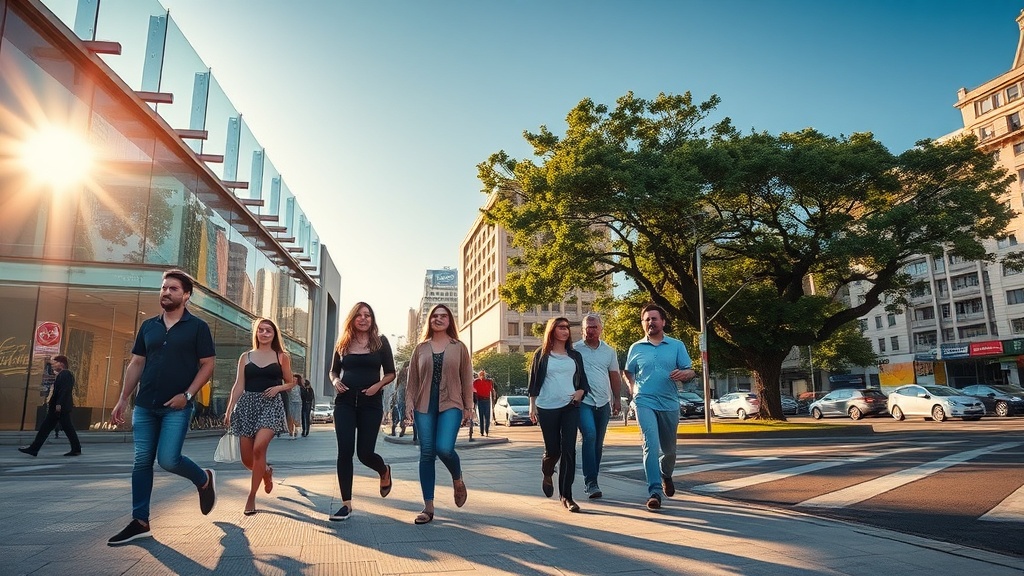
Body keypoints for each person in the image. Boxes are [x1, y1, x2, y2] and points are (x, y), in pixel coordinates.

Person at [107, 269, 217, 545]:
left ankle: (203, 478)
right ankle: (140, 520)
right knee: (142, 461)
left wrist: (188, 395)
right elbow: (136, 363)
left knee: (168, 459)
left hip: (177, 407)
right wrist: (123, 398)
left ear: (186, 295)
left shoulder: (198, 327)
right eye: (164, 288)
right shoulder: (149, 327)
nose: (166, 292)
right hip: (145, 405)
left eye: (173, 289)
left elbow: (208, 365)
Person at [623, 303, 696, 511]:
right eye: (646, 319)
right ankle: (654, 491)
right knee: (650, 445)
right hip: (644, 401)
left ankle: (667, 475)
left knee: (670, 450)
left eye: (654, 318)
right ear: (642, 323)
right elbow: (628, 371)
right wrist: (632, 388)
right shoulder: (636, 348)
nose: (650, 322)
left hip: (669, 402)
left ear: (663, 322)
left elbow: (690, 371)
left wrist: (685, 374)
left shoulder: (676, 345)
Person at [405, 304, 473, 524]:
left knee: (444, 448)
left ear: (449, 320)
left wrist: (469, 407)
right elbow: (412, 380)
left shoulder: (459, 347)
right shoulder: (421, 348)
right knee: (426, 453)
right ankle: (428, 507)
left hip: (452, 403)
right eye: (435, 315)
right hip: (424, 405)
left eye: (443, 316)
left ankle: (457, 478)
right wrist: (408, 403)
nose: (439, 318)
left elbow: (466, 378)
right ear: (430, 320)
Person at [328, 302, 396, 521]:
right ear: (352, 318)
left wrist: (377, 385)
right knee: (344, 451)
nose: (364, 318)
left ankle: (384, 470)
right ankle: (346, 504)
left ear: (372, 319)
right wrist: (336, 380)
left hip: (371, 403)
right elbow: (333, 371)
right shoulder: (343, 343)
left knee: (365, 454)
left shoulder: (381, 342)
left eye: (368, 315)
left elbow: (391, 373)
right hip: (345, 402)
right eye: (359, 315)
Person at [224, 318, 294, 515]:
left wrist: (278, 388)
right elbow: (239, 385)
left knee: (259, 448)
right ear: (256, 333)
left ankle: (251, 497)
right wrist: (230, 409)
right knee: (248, 460)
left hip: (271, 405)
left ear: (274, 334)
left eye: (268, 330)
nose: (264, 333)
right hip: (247, 406)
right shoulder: (245, 357)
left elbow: (291, 382)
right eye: (261, 330)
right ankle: (266, 472)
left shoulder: (281, 356)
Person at [528, 317, 590, 513]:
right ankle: (547, 470)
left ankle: (567, 496)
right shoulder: (541, 355)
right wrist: (532, 406)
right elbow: (533, 383)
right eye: (561, 327)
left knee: (569, 450)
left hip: (570, 406)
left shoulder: (575, 355)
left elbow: (583, 382)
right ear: (552, 330)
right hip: (547, 407)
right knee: (553, 450)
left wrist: (580, 392)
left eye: (567, 328)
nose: (565, 331)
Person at [574, 313, 622, 499]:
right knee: (590, 435)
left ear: (601, 329)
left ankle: (593, 477)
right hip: (583, 401)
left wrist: (617, 398)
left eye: (594, 327)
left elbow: (614, 376)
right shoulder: (575, 349)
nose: (591, 331)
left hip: (603, 402)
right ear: (582, 329)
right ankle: (590, 483)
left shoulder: (609, 351)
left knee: (598, 444)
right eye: (588, 327)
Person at [18, 355, 82, 457]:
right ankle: (34, 448)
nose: (53, 366)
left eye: (55, 363)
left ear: (61, 363)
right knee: (50, 428)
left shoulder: (65, 374)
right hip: (59, 408)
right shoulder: (62, 374)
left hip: (60, 408)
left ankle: (34, 449)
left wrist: (59, 404)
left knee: (62, 428)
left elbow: (64, 391)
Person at [472, 370, 496, 437]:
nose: (482, 376)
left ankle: (486, 431)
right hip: (480, 400)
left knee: (487, 417)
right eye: (481, 375)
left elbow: (492, 390)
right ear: (479, 376)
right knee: (481, 417)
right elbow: (473, 391)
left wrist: (493, 401)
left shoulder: (489, 381)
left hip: (487, 400)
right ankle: (482, 431)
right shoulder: (476, 382)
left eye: (483, 375)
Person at [286, 373, 303, 438]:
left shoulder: (299, 387)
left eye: (295, 379)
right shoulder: (289, 386)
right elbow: (287, 392)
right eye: (293, 379)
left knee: (297, 417)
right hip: (291, 402)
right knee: (291, 417)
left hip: (298, 403)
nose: (294, 380)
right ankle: (291, 430)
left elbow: (302, 394)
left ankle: (296, 430)